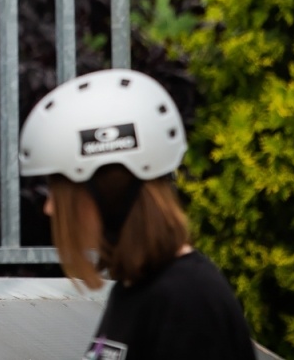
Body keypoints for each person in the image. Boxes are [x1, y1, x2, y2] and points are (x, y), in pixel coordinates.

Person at [19, 68, 255, 359]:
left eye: (60, 190)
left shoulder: (188, 301)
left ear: (109, 192)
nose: (50, 208)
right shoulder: (138, 289)